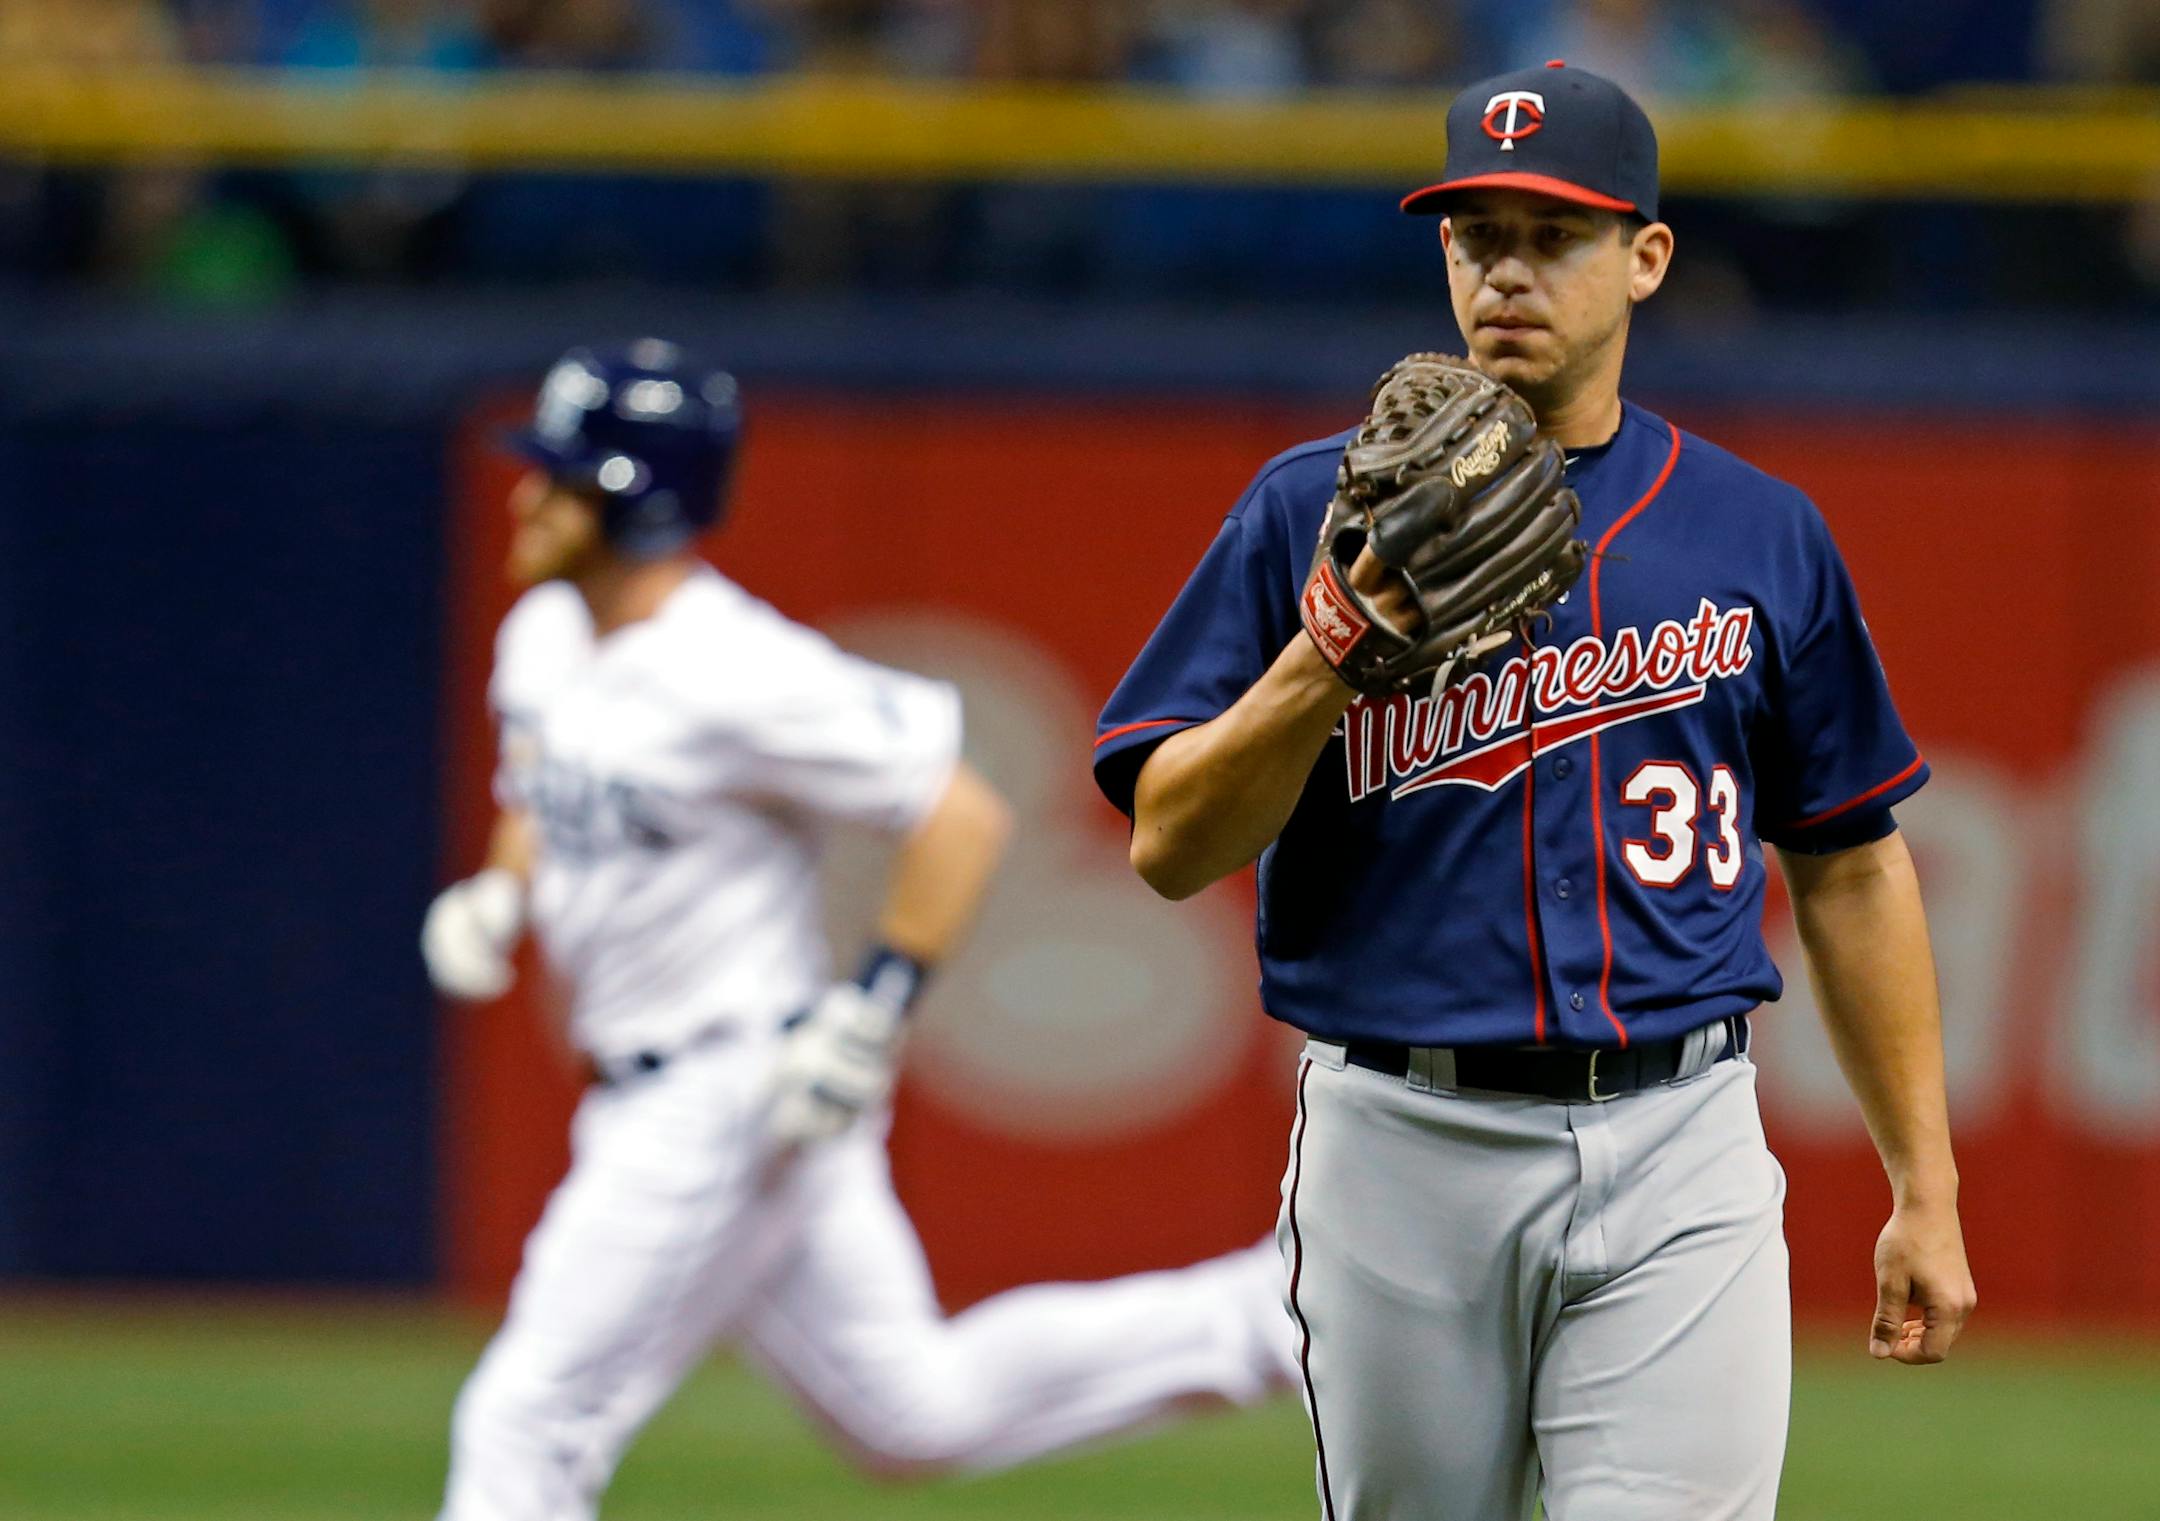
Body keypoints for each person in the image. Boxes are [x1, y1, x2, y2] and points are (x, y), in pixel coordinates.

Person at [1095, 62, 1975, 1520]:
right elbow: (1170, 844)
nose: (1507, 268)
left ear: (1645, 258)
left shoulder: (1756, 533)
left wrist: (1925, 1187)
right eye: (1473, 233)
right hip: (1400, 1141)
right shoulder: (1308, 514)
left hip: (1679, 1137)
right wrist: (1329, 654)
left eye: (1552, 234)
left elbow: (1851, 858)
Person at [423, 339, 1295, 1521]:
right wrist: (502, 888)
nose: (528, 494)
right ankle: (1277, 1313)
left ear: (639, 499)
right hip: (663, 1081)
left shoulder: (730, 666)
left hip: (721, 1087)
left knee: (529, 1418)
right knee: (909, 1411)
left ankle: (1280, 1312)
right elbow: (539, 774)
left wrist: (873, 1007)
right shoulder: (547, 633)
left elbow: (958, 807)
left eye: (563, 476)